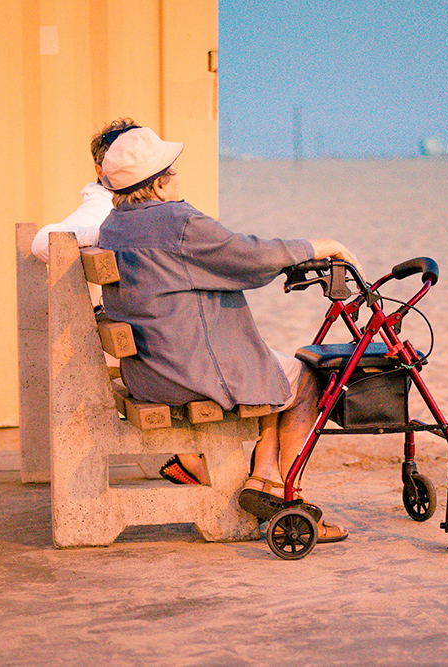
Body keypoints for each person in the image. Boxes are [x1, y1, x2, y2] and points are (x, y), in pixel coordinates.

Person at [97, 126, 357, 543]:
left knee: (273, 367)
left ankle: (265, 476)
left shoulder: (113, 226)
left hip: (148, 370)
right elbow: (248, 257)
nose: (178, 180)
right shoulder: (177, 222)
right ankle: (289, 498)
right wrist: (320, 245)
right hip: (188, 373)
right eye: (174, 174)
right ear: (159, 184)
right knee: (307, 378)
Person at [30, 118, 141, 263]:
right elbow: (42, 242)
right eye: (125, 163)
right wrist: (102, 234)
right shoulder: (101, 206)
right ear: (100, 172)